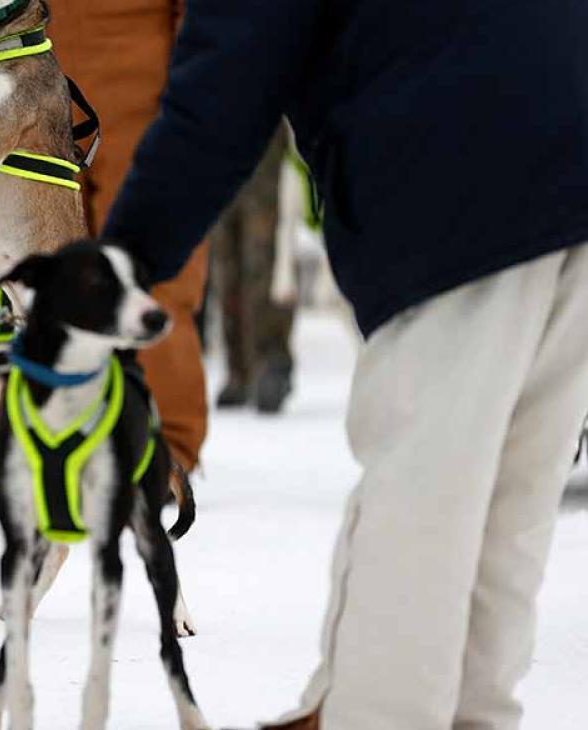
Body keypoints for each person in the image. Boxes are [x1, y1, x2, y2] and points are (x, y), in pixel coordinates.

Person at [101, 0, 588, 727]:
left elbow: (220, 99)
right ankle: (472, 715)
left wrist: (123, 263)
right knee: (508, 497)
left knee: (426, 494)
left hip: (459, 177)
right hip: (570, 150)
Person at [0, 0, 212, 475]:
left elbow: (207, 19)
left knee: (151, 276)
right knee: (44, 291)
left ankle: (164, 455)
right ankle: (31, 455)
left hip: (147, 106)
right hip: (23, 103)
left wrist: (196, 89)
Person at [210, 125, 296, 414]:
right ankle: (239, 368)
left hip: (263, 133)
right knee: (225, 264)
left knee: (263, 256)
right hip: (215, 140)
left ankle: (271, 362)